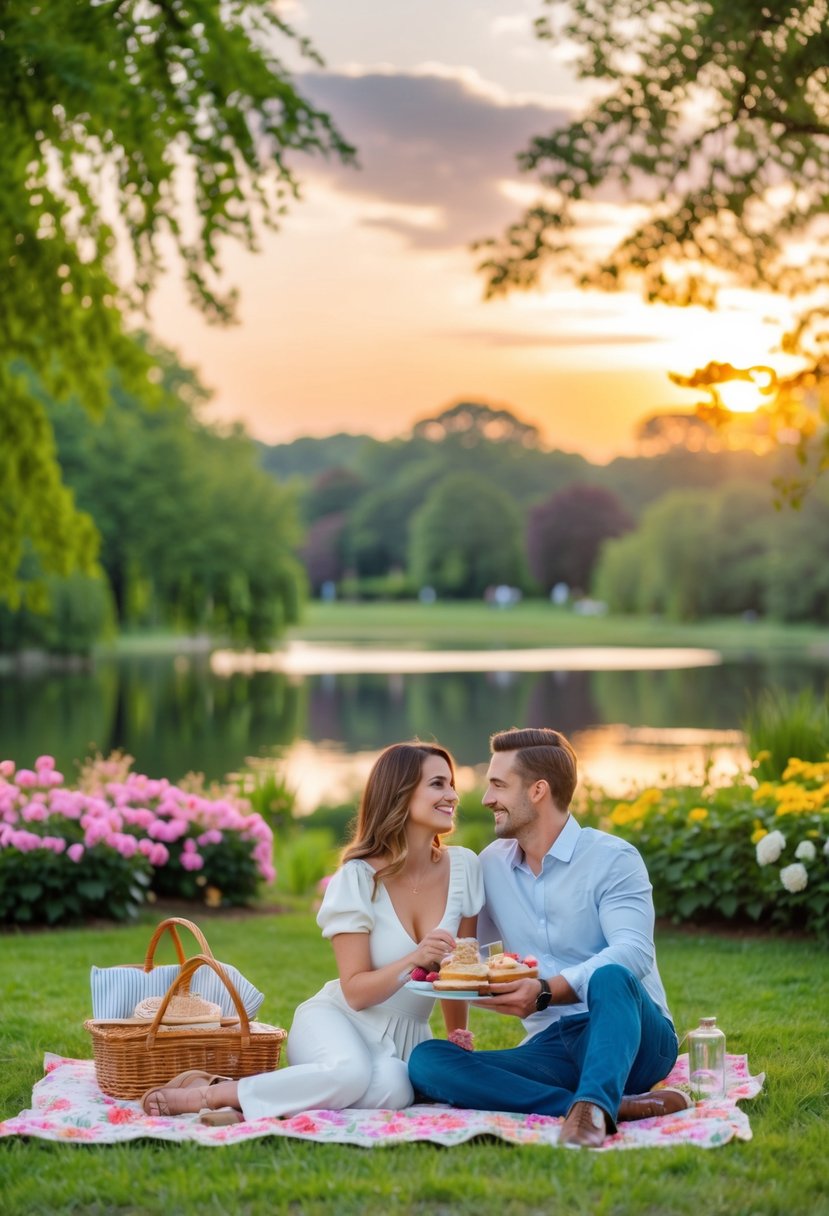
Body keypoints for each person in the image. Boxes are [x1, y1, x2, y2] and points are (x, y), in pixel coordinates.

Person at [142, 741, 483, 1123]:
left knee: (395, 1089)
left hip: (404, 1040)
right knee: (349, 1073)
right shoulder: (357, 878)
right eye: (437, 784)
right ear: (400, 794)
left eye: (451, 784)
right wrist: (415, 958)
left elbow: (460, 972)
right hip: (336, 1021)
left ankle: (253, 1105)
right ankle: (209, 1092)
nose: (452, 795)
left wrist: (457, 1036)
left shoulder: (464, 868)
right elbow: (354, 992)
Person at [408, 727, 690, 1148]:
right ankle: (599, 1105)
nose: (486, 799)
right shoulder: (492, 865)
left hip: (632, 1036)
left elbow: (632, 953)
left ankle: (594, 1107)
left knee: (610, 976)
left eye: (498, 785)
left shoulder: (614, 859)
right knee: (427, 1062)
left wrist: (545, 991)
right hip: (552, 1046)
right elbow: (467, 957)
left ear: (538, 791)